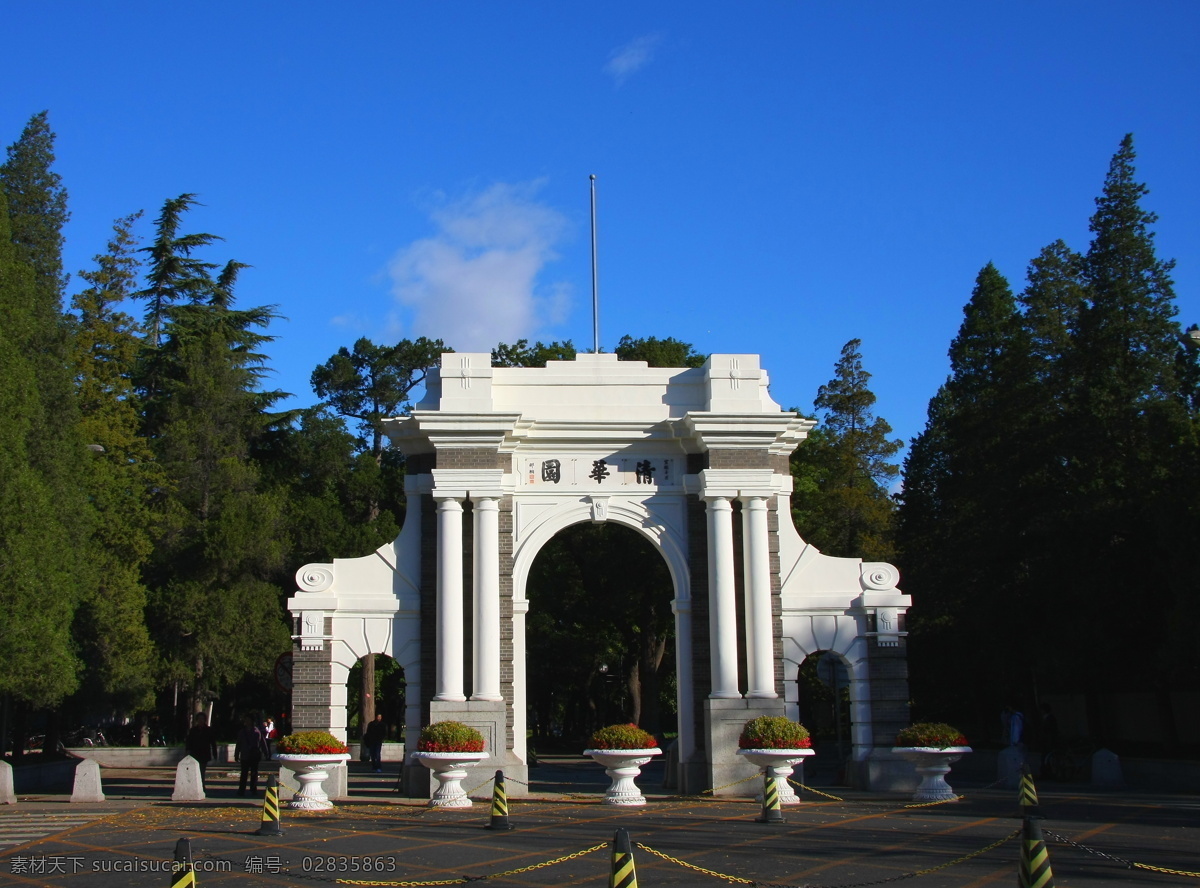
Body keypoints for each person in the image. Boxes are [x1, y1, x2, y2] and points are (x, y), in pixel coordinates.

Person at [235, 714, 269, 797]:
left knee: (254, 773)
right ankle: (241, 790)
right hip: (245, 755)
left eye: (248, 720)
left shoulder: (257, 731)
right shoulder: (242, 732)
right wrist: (236, 754)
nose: (247, 722)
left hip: (254, 755)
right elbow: (238, 743)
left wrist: (266, 753)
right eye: (246, 720)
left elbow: (262, 743)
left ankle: (253, 789)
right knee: (244, 773)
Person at [184, 713, 218, 787]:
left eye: (202, 719)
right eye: (199, 719)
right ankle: (194, 785)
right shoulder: (193, 730)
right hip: (194, 754)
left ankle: (201, 785)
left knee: (201, 771)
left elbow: (213, 743)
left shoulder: (208, 730)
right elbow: (189, 742)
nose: (200, 721)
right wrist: (187, 751)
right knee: (194, 771)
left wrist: (215, 754)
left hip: (204, 754)